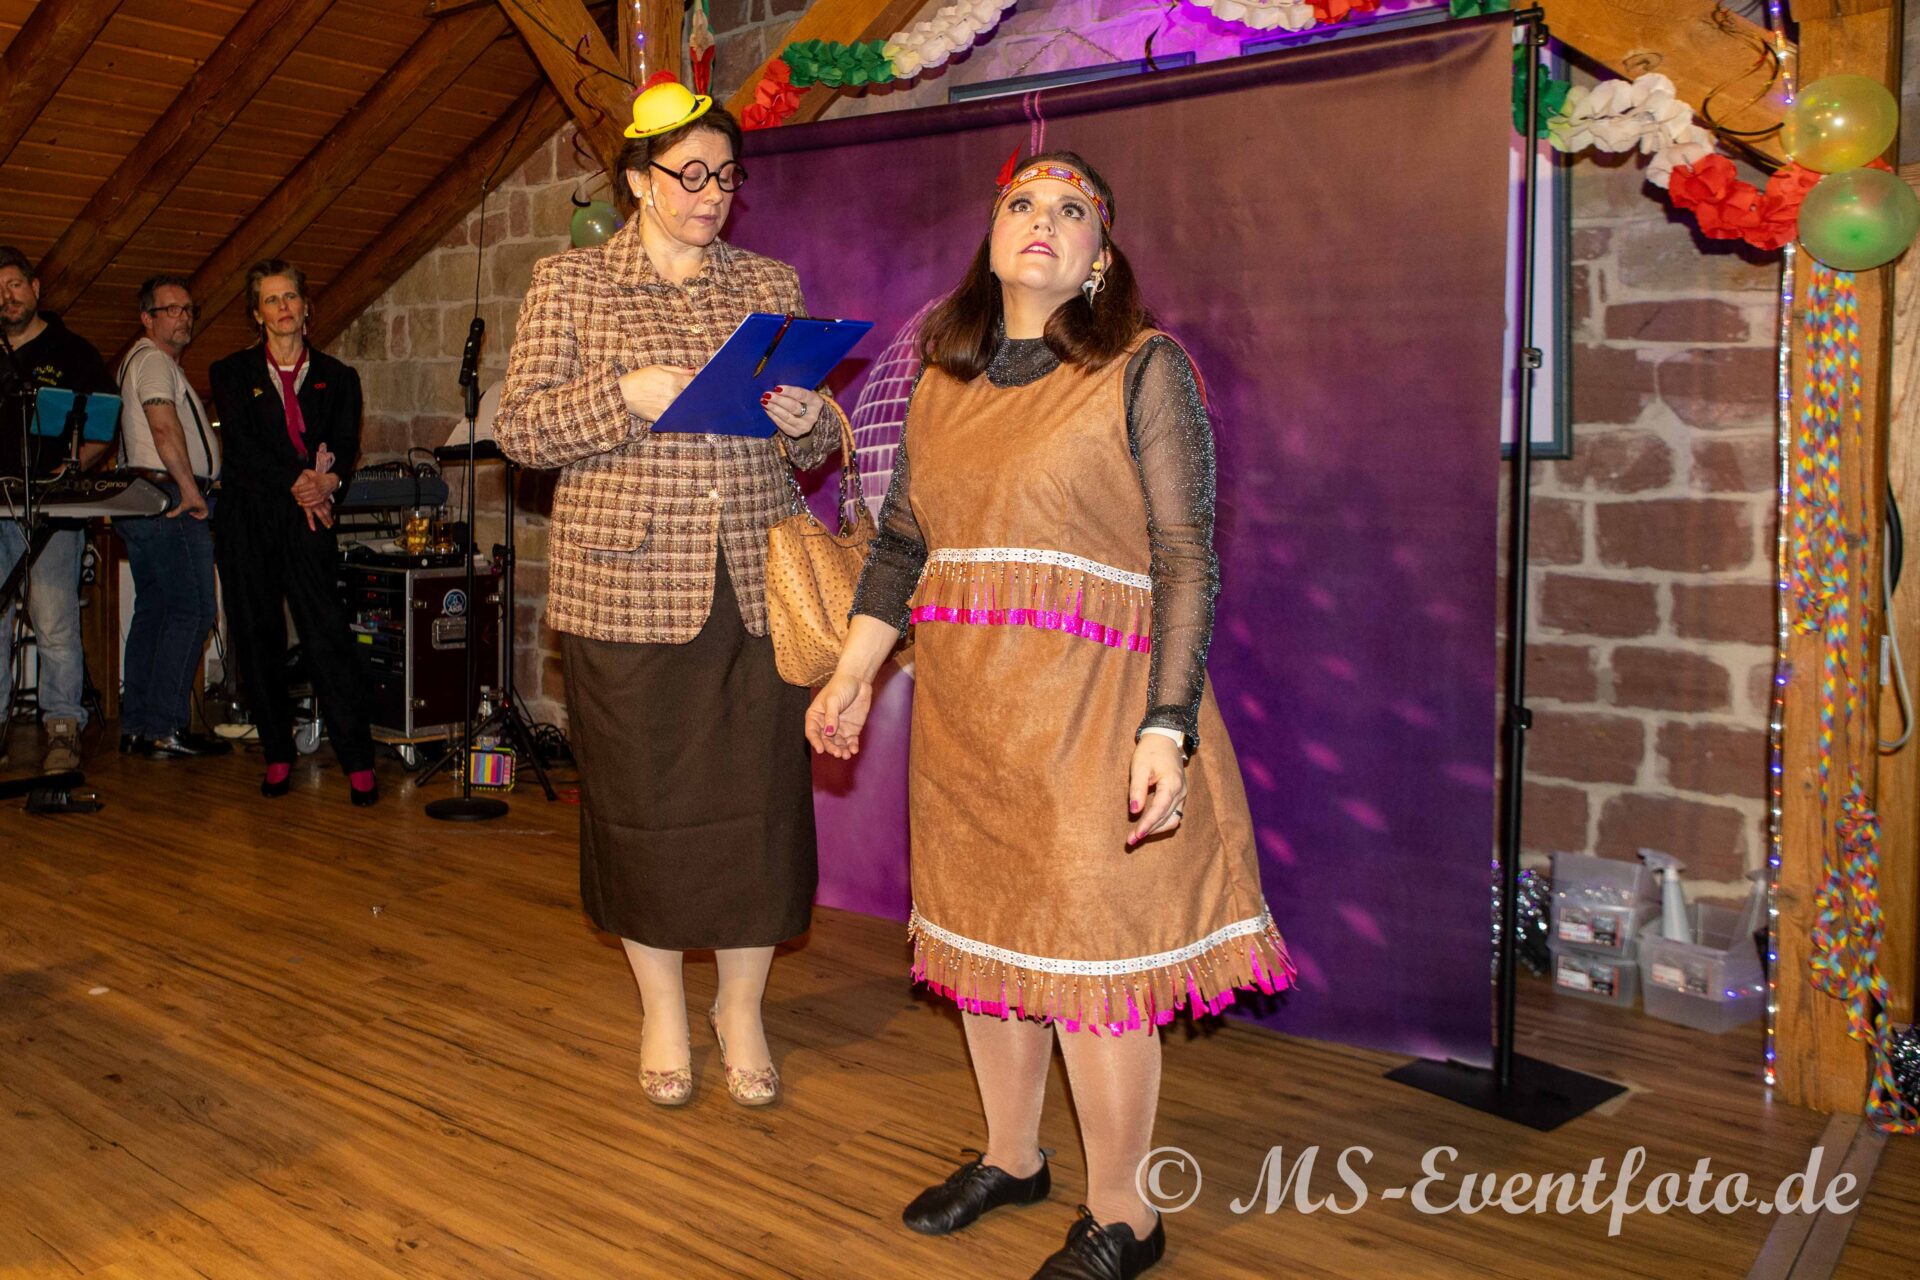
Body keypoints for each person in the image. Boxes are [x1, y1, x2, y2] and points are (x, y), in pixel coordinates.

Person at [808, 153, 1294, 1280]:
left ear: (1100, 254)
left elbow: (1186, 558)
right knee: (986, 939)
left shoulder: (1145, 367)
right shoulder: (940, 383)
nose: (1044, 220)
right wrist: (852, 673)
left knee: (1090, 966)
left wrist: (1167, 723)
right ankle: (1012, 1157)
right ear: (991, 240)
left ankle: (1126, 1214)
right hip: (970, 714)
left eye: (1072, 209)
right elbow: (902, 546)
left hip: (1097, 711)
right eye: (1022, 203)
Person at [493, 81, 841, 1110]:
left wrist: (809, 421)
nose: (711, 193)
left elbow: (815, 439)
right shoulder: (571, 282)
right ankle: (661, 1010)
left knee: (759, 810)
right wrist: (623, 395)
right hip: (626, 591)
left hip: (754, 589)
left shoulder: (768, 280)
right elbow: (520, 429)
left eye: (726, 175)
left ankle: (742, 1008)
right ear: (640, 182)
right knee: (640, 808)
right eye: (689, 174)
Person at [208, 259, 377, 806]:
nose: (283, 308)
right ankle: (277, 754)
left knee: (327, 635)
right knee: (258, 639)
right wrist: (305, 480)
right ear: (256, 314)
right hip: (249, 520)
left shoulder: (340, 377)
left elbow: (345, 447)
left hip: (309, 519)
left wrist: (329, 481)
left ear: (307, 308)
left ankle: (358, 762)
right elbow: (244, 448)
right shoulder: (230, 373)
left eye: (290, 298)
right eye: (271, 300)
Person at [0, 244, 113, 773]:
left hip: (52, 510)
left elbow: (103, 426)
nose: (6, 297)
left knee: (55, 622)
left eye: (14, 285)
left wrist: (67, 472)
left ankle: (63, 729)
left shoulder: (73, 351)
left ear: (35, 288)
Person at [113, 274, 230, 760]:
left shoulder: (144, 361)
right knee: (194, 610)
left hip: (148, 500)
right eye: (171, 310)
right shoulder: (154, 362)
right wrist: (190, 491)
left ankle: (139, 725)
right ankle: (165, 727)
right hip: (170, 500)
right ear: (147, 318)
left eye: (188, 309)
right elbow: (163, 428)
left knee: (156, 611)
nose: (183, 318)